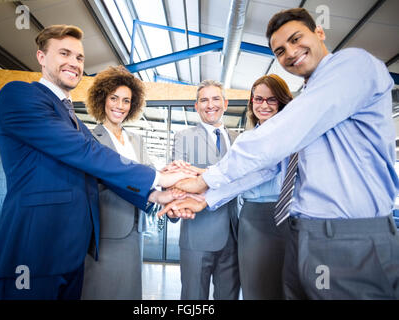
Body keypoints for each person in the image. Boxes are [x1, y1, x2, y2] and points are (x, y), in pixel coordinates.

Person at [160, 8, 399, 299]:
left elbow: (277, 138)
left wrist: (206, 178)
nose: (291, 53)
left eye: (297, 39)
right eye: (280, 50)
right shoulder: (308, 103)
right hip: (304, 233)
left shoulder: (353, 65)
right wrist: (206, 196)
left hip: (350, 237)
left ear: (319, 32)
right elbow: (268, 168)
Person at [0, 24, 195, 300]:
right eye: (64, 53)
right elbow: (86, 152)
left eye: (80, 58)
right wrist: (158, 177)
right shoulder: (19, 95)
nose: (74, 62)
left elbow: (102, 174)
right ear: (41, 57)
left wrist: (159, 194)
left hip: (71, 257)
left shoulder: (73, 121)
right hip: (32, 254)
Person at [81, 65, 156, 299]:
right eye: (114, 98)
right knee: (101, 290)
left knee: (130, 292)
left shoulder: (137, 140)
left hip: (136, 228)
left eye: (126, 101)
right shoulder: (90, 138)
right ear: (102, 99)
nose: (119, 106)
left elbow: (151, 175)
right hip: (106, 231)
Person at [168, 80, 240, 300]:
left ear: (225, 103)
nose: (211, 105)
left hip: (235, 235)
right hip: (198, 234)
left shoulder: (239, 140)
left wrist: (200, 174)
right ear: (196, 106)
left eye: (216, 99)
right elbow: (177, 179)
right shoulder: (185, 137)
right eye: (204, 100)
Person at [237, 74, 292, 299]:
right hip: (255, 219)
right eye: (258, 99)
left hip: (291, 216)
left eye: (271, 100)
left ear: (281, 102)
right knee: (256, 288)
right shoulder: (244, 141)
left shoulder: (295, 138)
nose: (264, 105)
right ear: (252, 102)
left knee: (288, 287)